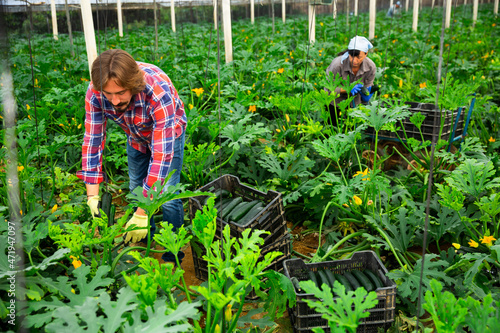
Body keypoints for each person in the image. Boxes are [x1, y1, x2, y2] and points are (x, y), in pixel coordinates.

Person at [77, 49, 187, 264]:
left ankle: (172, 254)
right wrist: (92, 194)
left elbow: (161, 156)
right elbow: (93, 141)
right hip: (135, 136)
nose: (114, 101)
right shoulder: (95, 92)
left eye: (120, 93)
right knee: (137, 186)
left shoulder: (157, 92)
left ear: (134, 85)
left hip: (168, 135)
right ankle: (148, 234)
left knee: (167, 195)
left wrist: (142, 212)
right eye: (108, 94)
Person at [324, 36, 376, 126]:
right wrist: (347, 89)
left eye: (358, 57)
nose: (354, 61)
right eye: (352, 56)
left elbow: (368, 85)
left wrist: (366, 94)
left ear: (366, 53)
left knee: (353, 131)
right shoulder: (337, 65)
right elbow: (329, 89)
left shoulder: (370, 66)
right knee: (333, 128)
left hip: (355, 104)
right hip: (335, 103)